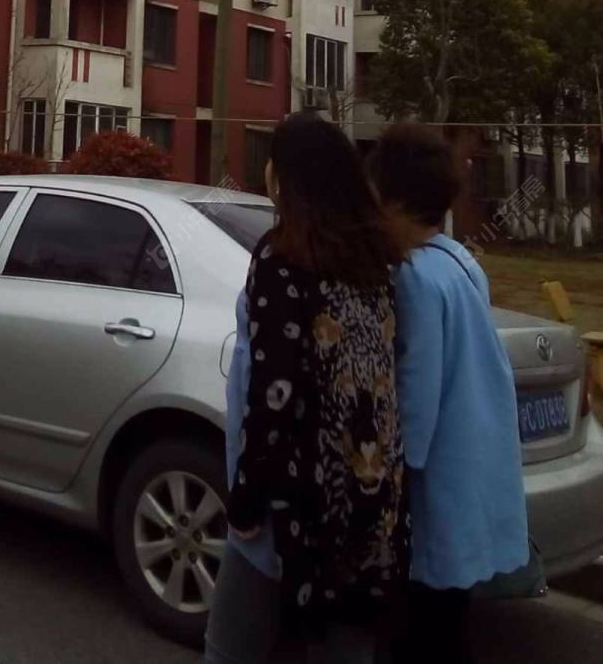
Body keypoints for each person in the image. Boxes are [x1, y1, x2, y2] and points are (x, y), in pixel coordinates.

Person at [205, 113, 409, 664]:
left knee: (230, 648)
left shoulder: (281, 260)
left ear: (287, 179)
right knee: (347, 648)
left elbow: (274, 393)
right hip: (369, 501)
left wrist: (246, 501)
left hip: (292, 506)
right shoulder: (377, 263)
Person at [371, 123, 529, 664]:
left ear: (393, 200)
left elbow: (417, 388)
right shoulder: (460, 260)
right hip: (473, 461)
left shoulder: (413, 277)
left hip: (436, 476)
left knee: (426, 622)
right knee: (450, 615)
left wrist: (397, 470)